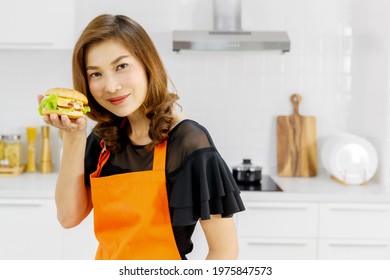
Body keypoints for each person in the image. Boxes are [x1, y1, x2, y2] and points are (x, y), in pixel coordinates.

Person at [40, 14, 245, 260]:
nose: (111, 86)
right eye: (96, 74)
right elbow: (68, 217)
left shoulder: (188, 141)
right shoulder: (104, 138)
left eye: (121, 66)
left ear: (148, 64)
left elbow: (224, 251)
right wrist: (73, 137)